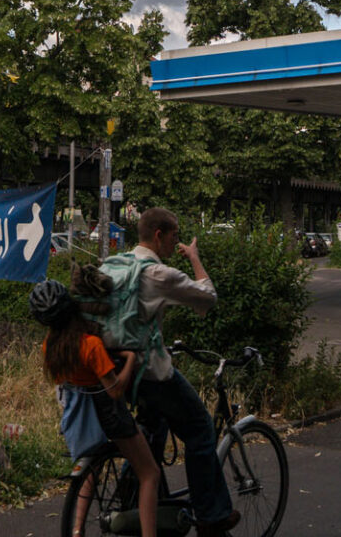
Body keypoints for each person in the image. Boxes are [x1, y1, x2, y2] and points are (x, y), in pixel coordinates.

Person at [126, 208, 238, 537]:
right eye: (174, 236)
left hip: (120, 370)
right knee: (201, 429)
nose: (176, 242)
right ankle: (210, 516)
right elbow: (208, 297)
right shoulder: (159, 273)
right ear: (159, 235)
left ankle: (137, 505)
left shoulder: (118, 264)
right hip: (151, 372)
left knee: (149, 439)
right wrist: (194, 258)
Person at [32, 275, 159, 537]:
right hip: (108, 413)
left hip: (79, 414)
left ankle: (77, 530)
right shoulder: (91, 345)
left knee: (91, 470)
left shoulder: (50, 347)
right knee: (150, 474)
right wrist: (132, 358)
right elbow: (115, 389)